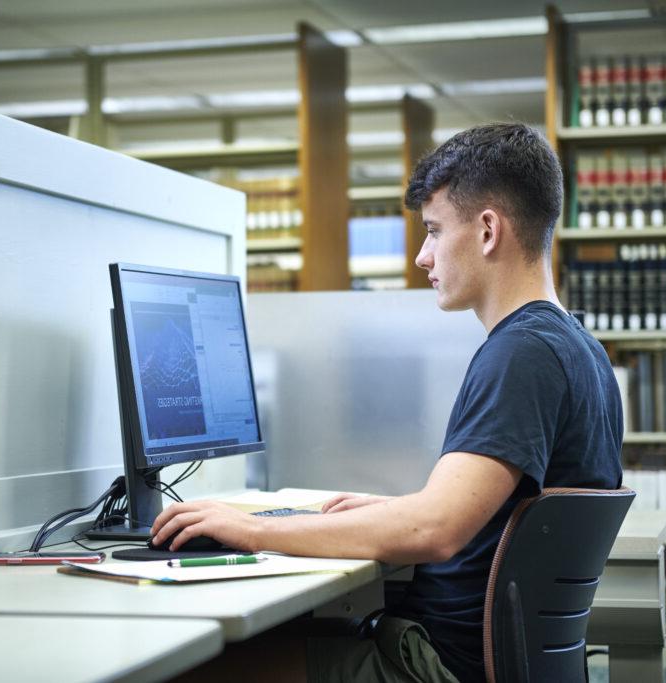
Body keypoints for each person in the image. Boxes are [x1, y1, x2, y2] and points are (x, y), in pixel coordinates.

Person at [152, 122, 623, 682]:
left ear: (489, 230)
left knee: (194, 665)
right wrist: (389, 510)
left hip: (434, 667)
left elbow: (435, 532)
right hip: (484, 660)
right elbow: (477, 514)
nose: (423, 257)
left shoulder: (521, 353)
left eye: (433, 231)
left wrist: (247, 529)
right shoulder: (580, 349)